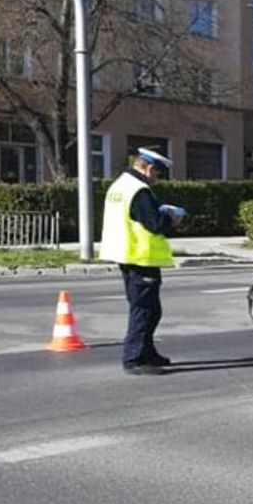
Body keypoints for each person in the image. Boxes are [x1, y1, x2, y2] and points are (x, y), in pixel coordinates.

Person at [100, 148, 184, 375]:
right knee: (145, 310)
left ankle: (147, 353)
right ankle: (135, 358)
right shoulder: (139, 190)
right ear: (147, 167)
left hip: (125, 253)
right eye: (157, 173)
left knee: (147, 308)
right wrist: (171, 218)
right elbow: (154, 224)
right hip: (140, 255)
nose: (157, 178)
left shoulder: (120, 185)